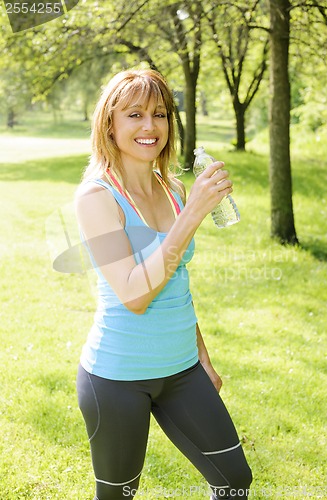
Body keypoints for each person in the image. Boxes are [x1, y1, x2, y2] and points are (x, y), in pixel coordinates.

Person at [75, 68, 252, 500]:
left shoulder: (171, 188)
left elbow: (177, 285)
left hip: (182, 368)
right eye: (134, 114)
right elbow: (135, 293)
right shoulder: (96, 197)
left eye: (160, 114)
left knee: (234, 480)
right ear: (109, 123)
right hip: (118, 377)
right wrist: (193, 214)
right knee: (118, 495)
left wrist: (203, 357)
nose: (150, 126)